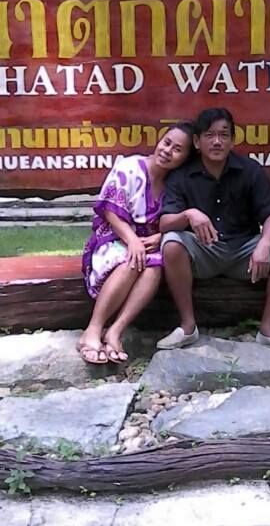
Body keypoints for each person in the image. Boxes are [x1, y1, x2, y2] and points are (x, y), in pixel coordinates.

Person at [157, 107, 270, 353]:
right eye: (210, 135)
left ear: (232, 140)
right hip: (204, 252)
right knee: (171, 242)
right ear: (197, 142)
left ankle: (267, 330)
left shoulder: (250, 170)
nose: (217, 141)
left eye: (224, 135)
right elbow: (164, 223)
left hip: (245, 253)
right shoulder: (181, 176)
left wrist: (264, 245)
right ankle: (188, 327)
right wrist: (188, 214)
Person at [77, 121, 194, 364]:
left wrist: (160, 237)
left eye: (177, 149)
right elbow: (109, 210)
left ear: (185, 158)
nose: (167, 151)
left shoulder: (177, 184)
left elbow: (178, 221)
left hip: (149, 245)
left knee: (154, 266)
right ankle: (93, 330)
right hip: (114, 237)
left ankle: (115, 331)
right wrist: (132, 241)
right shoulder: (130, 166)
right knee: (133, 260)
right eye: (166, 143)